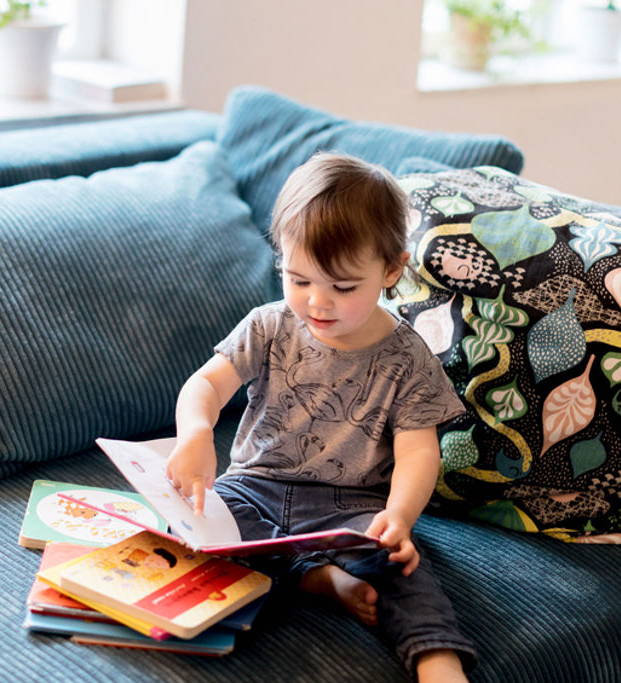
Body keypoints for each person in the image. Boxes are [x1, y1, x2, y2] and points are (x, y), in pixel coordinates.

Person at [165, 152, 476, 681]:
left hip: (351, 508)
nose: (317, 302)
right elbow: (206, 384)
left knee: (402, 570)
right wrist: (195, 432)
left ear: (392, 270)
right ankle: (317, 578)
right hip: (254, 488)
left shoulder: (407, 357)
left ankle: (437, 659)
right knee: (186, 540)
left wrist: (398, 518)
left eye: (343, 287)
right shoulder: (268, 326)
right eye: (299, 278)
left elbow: (418, 452)